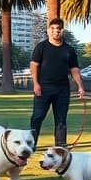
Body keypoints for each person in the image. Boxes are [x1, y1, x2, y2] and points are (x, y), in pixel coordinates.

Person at [29, 17, 85, 148]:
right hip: (43, 88)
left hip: (62, 90)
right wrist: (36, 83)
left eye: (58, 29)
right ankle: (31, 144)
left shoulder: (69, 50)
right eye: (52, 29)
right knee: (37, 117)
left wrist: (80, 86)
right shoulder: (41, 47)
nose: (56, 31)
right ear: (48, 31)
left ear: (62, 31)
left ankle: (60, 146)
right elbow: (34, 65)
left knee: (61, 120)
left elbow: (74, 69)